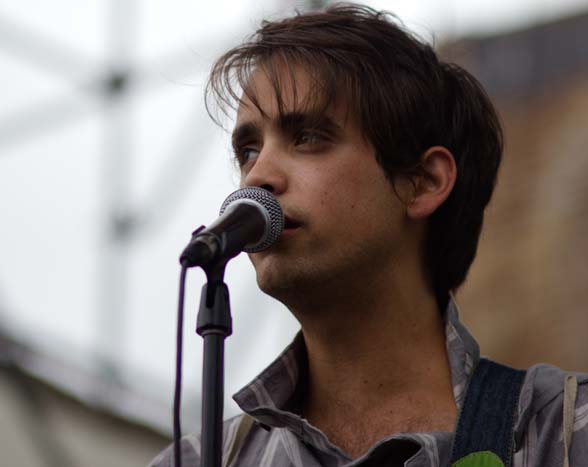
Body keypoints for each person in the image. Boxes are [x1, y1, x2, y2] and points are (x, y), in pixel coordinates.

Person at [150, 4, 587, 466]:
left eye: (308, 137)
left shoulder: (563, 436)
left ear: (423, 182)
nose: (258, 177)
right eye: (248, 150)